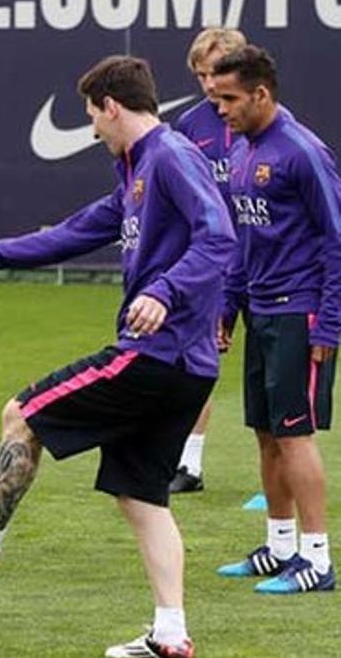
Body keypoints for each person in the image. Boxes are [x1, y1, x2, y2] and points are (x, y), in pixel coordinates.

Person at [0, 56, 234, 658]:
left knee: (22, 413)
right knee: (141, 497)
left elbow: (219, 236)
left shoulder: (172, 157)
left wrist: (164, 291)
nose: (90, 128)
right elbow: (71, 233)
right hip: (187, 370)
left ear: (112, 105)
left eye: (91, 114)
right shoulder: (134, 173)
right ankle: (170, 634)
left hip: (155, 356)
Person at [212, 45, 339, 594]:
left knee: (294, 436)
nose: (221, 110)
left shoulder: (303, 151)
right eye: (216, 99)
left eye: (229, 99)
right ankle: (279, 546)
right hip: (261, 311)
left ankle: (317, 559)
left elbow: (337, 241)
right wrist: (228, 306)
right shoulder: (243, 152)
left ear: (261, 94)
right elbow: (246, 243)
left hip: (300, 313)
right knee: (266, 434)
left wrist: (329, 325)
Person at [168, 27, 248, 494]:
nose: (207, 83)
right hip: (213, 262)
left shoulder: (263, 121)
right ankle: (189, 464)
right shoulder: (189, 126)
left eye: (215, 72)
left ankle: (283, 470)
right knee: (195, 357)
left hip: (264, 261)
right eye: (200, 74)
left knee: (273, 376)